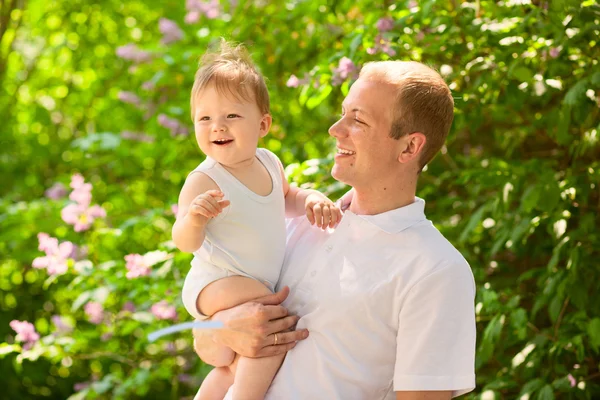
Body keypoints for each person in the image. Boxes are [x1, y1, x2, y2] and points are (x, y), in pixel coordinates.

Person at [190, 59, 477, 400]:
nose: (335, 129)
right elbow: (203, 340)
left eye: (358, 120)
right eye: (343, 112)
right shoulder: (293, 220)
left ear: (409, 147)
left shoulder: (436, 269)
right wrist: (222, 329)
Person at [172, 40, 342, 400]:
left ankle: (217, 390)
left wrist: (310, 197)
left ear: (263, 124)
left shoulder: (268, 162)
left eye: (231, 115)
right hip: (218, 281)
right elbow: (183, 242)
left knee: (231, 364)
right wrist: (195, 219)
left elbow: (285, 199)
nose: (217, 126)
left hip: (245, 284)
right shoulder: (205, 180)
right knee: (272, 326)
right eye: (205, 118)